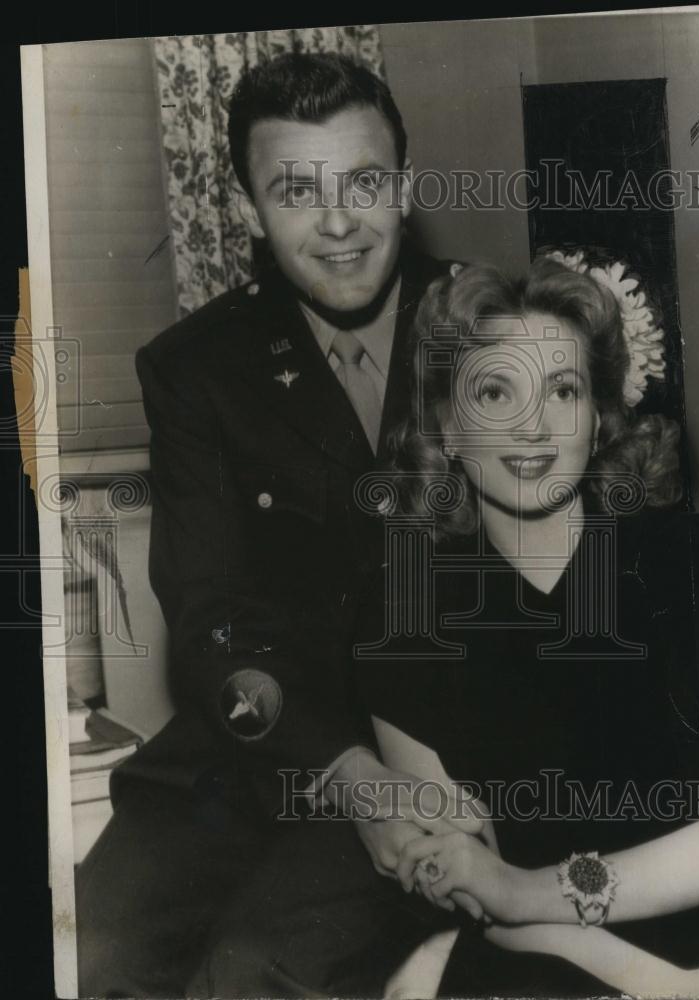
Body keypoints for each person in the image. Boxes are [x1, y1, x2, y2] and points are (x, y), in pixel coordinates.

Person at [75, 52, 477, 999]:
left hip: (432, 761)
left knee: (252, 972)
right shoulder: (197, 368)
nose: (339, 223)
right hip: (249, 751)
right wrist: (344, 775)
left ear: (404, 187)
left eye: (365, 183)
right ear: (251, 207)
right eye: (297, 190)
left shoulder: (487, 323)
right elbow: (211, 613)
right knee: (95, 951)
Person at [355, 256, 699, 998]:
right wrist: (654, 986)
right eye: (495, 390)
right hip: (542, 970)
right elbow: (474, 894)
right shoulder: (403, 616)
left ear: (598, 415)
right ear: (445, 422)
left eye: (562, 390)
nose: (531, 425)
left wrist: (527, 891)